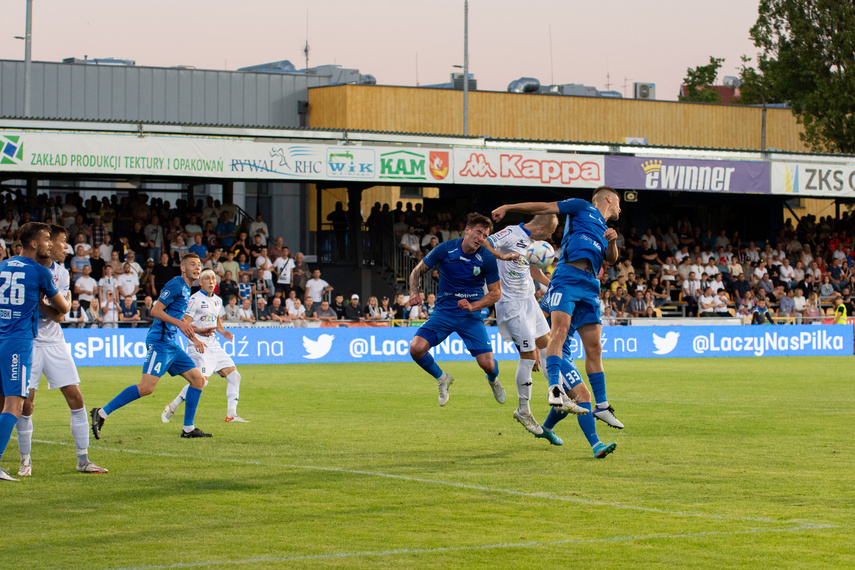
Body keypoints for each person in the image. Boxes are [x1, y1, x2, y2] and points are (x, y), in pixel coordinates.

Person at [493, 186, 623, 457]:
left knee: (594, 349)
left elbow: (611, 259)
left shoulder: (602, 228)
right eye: (619, 202)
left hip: (590, 284)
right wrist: (509, 207)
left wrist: (611, 241)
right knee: (577, 387)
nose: (621, 209)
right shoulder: (581, 208)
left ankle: (560, 422)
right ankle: (594, 442)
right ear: (608, 198)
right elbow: (542, 206)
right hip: (569, 279)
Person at [12, 223, 106, 477]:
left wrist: (40, 300)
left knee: (76, 398)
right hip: (28, 341)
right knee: (26, 404)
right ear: (46, 243)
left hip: (54, 341)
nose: (66, 247)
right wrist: (43, 300)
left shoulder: (61, 273)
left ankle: (83, 460)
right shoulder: (24, 270)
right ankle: (25, 460)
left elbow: (60, 314)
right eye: (62, 241)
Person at [89, 254, 213, 440]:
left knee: (198, 380)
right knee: (146, 388)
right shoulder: (176, 284)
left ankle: (188, 428)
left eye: (199, 265)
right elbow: (156, 311)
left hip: (170, 344)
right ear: (183, 268)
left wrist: (198, 330)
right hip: (160, 343)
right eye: (193, 265)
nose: (197, 268)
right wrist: (182, 326)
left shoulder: (187, 289)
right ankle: (101, 413)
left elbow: (178, 319)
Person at [407, 213, 506, 407]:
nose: (481, 238)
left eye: (485, 236)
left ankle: (493, 380)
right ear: (467, 230)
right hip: (444, 312)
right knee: (416, 349)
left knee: (488, 364)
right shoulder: (445, 248)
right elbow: (417, 270)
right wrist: (414, 292)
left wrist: (473, 306)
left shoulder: (487, 258)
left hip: (470, 315)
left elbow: (496, 293)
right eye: (478, 232)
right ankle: (442, 378)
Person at [0, 222, 71, 481]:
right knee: (14, 405)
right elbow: (63, 308)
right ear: (33, 244)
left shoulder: (2, 265)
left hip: (0, 336)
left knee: (2, 404)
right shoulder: (40, 272)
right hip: (18, 342)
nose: (50, 244)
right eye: (46, 240)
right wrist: (43, 299)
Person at [483, 213, 558, 435]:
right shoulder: (511, 232)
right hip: (511, 303)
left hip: (528, 300)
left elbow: (532, 269)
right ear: (543, 227)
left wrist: (551, 283)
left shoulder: (534, 244)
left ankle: (558, 390)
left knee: (546, 345)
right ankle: (523, 410)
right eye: (552, 231)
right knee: (529, 355)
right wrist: (500, 256)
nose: (552, 235)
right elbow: (485, 242)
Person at [162, 269, 247, 424]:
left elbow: (216, 320)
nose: (211, 281)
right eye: (207, 278)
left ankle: (231, 415)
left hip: (214, 345)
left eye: (213, 279)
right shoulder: (194, 300)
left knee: (235, 376)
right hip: (199, 345)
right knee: (201, 381)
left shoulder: (218, 300)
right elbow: (185, 323)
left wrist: (223, 332)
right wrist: (196, 339)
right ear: (200, 282)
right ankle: (173, 405)